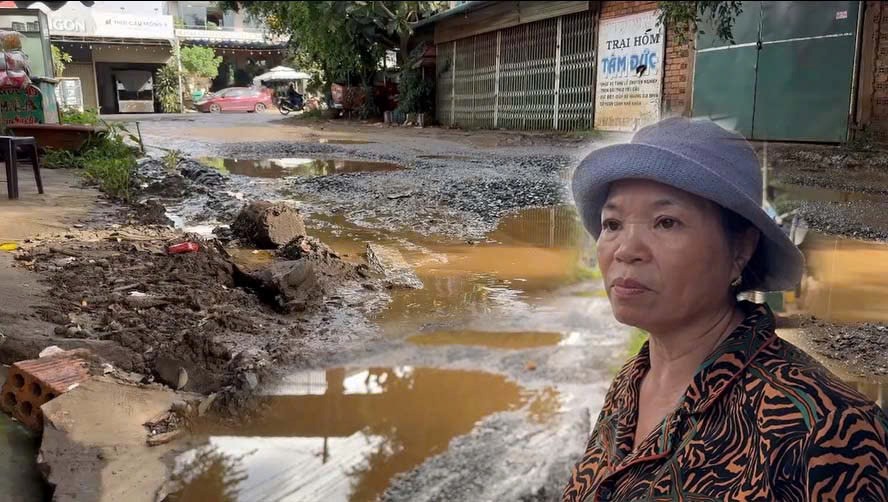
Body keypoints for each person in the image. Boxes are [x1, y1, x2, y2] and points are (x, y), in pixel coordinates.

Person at [563, 117, 888, 501]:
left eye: (666, 222)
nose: (625, 249)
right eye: (612, 223)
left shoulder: (828, 430)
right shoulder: (633, 380)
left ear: (741, 250)